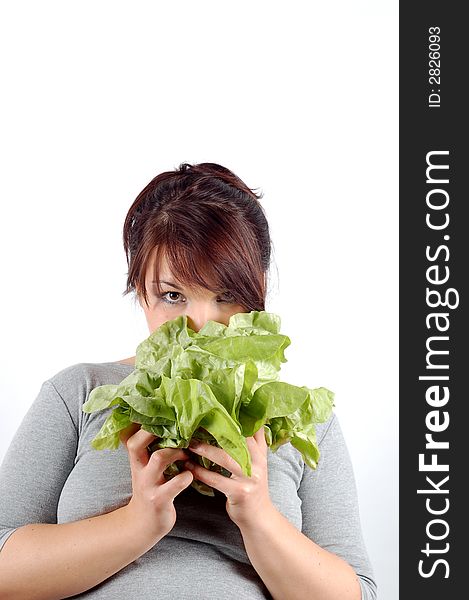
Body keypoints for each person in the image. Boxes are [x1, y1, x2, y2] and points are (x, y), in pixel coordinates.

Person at [0, 162, 377, 599]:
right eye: (172, 295)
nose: (199, 324)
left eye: (227, 296)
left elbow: (360, 594)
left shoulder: (303, 418)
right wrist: (136, 524)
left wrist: (258, 515)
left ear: (258, 296)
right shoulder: (78, 393)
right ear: (141, 294)